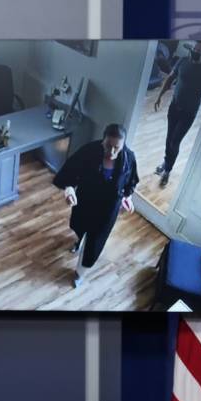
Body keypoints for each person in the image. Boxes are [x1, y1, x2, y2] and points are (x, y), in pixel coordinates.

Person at [53, 123, 139, 287]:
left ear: (123, 145)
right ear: (103, 140)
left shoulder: (129, 157)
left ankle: (80, 272)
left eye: (117, 148)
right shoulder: (89, 151)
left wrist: (127, 197)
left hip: (108, 208)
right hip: (86, 200)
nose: (112, 152)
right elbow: (70, 171)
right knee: (80, 225)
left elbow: (130, 181)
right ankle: (79, 241)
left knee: (95, 241)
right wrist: (69, 189)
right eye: (108, 146)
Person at [153, 40, 201, 187]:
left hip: (189, 112)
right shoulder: (182, 62)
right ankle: (166, 162)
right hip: (174, 107)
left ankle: (167, 170)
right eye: (195, 49)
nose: (195, 52)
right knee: (169, 139)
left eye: (199, 51)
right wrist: (159, 96)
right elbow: (170, 79)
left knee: (175, 141)